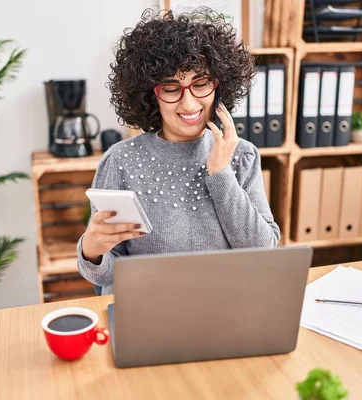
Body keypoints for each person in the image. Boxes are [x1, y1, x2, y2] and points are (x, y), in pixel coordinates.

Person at [77, 7, 281, 295]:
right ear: (151, 95)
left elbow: (262, 251)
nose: (188, 104)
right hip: (148, 307)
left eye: (200, 84)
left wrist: (221, 174)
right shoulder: (121, 161)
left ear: (219, 87)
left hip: (223, 306)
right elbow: (107, 274)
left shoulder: (242, 155)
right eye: (172, 88)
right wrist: (91, 251)